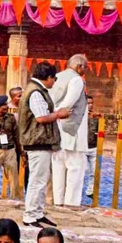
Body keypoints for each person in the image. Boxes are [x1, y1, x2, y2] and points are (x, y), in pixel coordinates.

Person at [19, 62, 71, 228]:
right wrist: (58, 114)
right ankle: (30, 215)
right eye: (53, 78)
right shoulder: (35, 92)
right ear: (48, 77)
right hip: (37, 141)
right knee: (37, 180)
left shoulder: (37, 90)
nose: (54, 82)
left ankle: (38, 213)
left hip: (41, 142)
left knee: (41, 179)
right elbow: (41, 117)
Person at [49, 55, 89, 208]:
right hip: (72, 129)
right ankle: (71, 202)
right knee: (75, 167)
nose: (85, 71)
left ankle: (58, 201)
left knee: (58, 166)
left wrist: (53, 114)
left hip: (57, 128)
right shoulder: (77, 80)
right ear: (80, 67)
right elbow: (69, 102)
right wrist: (60, 113)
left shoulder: (58, 76)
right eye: (85, 67)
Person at [84, 95, 99, 198]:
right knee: (81, 171)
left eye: (91, 103)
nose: (90, 105)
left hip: (94, 146)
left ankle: (90, 191)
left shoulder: (96, 117)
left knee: (94, 171)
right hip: (82, 147)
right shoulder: (78, 116)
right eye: (88, 103)